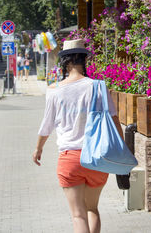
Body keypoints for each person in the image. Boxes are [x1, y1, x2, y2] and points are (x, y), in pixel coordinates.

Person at [33, 39, 122, 233]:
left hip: (70, 158)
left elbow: (46, 125)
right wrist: (122, 148)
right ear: (84, 59)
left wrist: (38, 148)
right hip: (98, 158)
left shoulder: (54, 91)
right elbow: (114, 120)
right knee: (92, 209)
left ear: (65, 61)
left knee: (77, 215)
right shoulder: (99, 86)